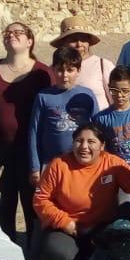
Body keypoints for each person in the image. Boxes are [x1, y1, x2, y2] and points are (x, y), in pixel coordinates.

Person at [31, 124, 130, 260]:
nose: (84, 146)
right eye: (78, 141)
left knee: (116, 254)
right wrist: (64, 222)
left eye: (91, 142)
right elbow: (40, 199)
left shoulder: (112, 163)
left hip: (101, 227)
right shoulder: (59, 165)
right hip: (67, 228)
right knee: (58, 254)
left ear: (102, 145)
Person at [0, 21, 50, 241]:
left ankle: (34, 258)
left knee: (33, 206)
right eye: (7, 32)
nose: (11, 35)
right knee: (1, 206)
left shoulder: (42, 73)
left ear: (30, 40)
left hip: (30, 151)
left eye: (18, 32)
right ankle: (4, 259)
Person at [27, 48, 98, 183]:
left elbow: (98, 130)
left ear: (78, 71)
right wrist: (35, 167)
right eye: (60, 70)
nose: (64, 75)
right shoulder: (44, 97)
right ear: (53, 70)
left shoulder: (87, 95)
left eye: (70, 70)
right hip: (51, 163)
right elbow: (34, 132)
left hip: (82, 163)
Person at [92, 66, 130, 163]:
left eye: (125, 91)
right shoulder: (101, 118)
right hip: (117, 169)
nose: (119, 95)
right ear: (109, 88)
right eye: (115, 90)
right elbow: (102, 149)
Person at [51, 17, 113, 111]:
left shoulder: (103, 65)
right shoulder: (54, 70)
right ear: (63, 43)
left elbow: (117, 97)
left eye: (83, 40)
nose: (79, 44)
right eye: (73, 40)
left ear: (88, 43)